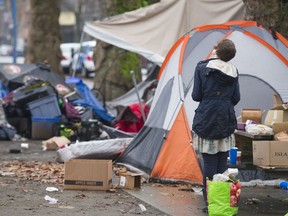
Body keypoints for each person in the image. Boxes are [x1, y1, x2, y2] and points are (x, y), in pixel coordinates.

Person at [191, 39, 240, 212]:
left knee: (210, 164)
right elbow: (236, 98)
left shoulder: (202, 68)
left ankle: (211, 203)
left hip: (207, 119)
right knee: (222, 164)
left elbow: (196, 96)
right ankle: (221, 202)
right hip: (226, 119)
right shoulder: (233, 71)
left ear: (216, 50)